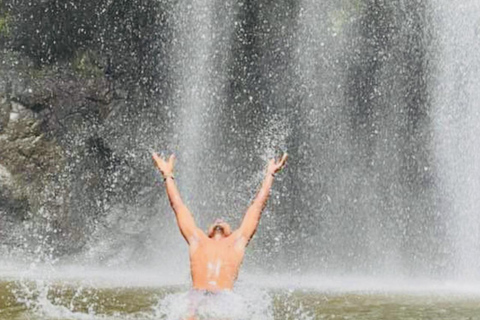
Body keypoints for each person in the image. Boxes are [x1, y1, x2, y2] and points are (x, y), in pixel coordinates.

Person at [152, 152, 288, 294]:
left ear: (231, 232)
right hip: (197, 296)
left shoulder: (237, 241)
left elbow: (258, 206)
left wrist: (270, 174)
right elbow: (178, 206)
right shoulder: (198, 240)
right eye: (215, 222)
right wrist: (167, 175)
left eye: (223, 222)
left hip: (225, 299)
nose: (218, 221)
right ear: (207, 232)